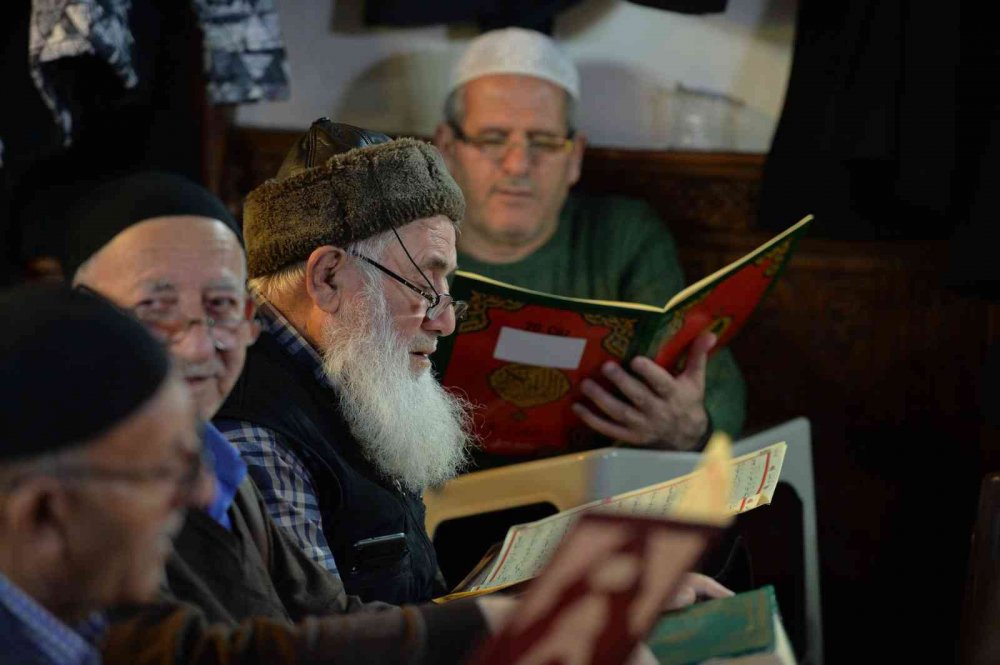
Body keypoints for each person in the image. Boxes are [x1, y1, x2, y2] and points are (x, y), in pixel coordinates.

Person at [64, 171, 501, 660]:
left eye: (222, 305)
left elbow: (329, 612)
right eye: (158, 306)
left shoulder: (212, 466)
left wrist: (500, 622)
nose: (200, 342)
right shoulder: (83, 488)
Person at [433, 27, 747, 463]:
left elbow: (718, 389)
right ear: (447, 149)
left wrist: (688, 430)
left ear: (575, 156)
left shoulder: (622, 236)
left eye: (543, 141)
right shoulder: (402, 245)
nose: (519, 164)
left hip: (589, 498)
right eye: (492, 140)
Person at [213, 120, 474, 604]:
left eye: (446, 290)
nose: (443, 322)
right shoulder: (254, 436)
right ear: (328, 278)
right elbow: (315, 643)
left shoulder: (347, 371)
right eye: (424, 287)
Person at [0, 283, 212, 664]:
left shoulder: (86, 619)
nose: (201, 494)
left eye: (192, 461)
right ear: (43, 513)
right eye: (165, 472)